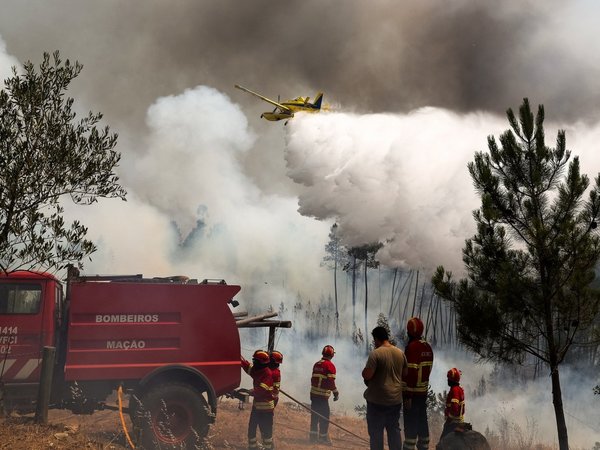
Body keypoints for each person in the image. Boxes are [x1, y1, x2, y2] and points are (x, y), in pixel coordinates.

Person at [362, 326, 408, 450]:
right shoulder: (400, 353)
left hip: (377, 401)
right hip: (395, 401)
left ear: (376, 339)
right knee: (394, 430)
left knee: (376, 432)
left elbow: (368, 375)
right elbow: (405, 374)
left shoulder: (376, 353)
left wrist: (364, 373)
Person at [403, 317, 434, 450]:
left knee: (410, 425)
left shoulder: (412, 348)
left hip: (413, 394)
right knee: (422, 421)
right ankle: (424, 446)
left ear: (409, 332)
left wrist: (408, 395)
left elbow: (411, 372)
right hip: (423, 393)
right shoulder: (427, 347)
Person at [241, 349, 275, 450]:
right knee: (251, 428)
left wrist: (249, 391)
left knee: (265, 431)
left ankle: (268, 448)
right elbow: (248, 367)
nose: (254, 363)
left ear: (261, 363)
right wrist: (239, 359)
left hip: (266, 410)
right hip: (256, 408)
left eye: (255, 361)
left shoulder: (267, 374)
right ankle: (252, 447)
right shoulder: (258, 370)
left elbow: (261, 390)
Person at [309, 344, 339, 445]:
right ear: (332, 355)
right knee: (324, 418)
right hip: (322, 397)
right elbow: (330, 381)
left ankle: (312, 438)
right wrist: (335, 392)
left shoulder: (316, 364)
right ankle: (322, 439)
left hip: (313, 395)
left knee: (314, 416)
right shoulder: (330, 366)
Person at [439, 368, 465, 441]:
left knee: (442, 442)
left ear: (452, 380)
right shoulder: (459, 389)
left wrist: (448, 420)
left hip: (453, 422)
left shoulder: (455, 390)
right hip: (459, 421)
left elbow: (455, 408)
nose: (447, 380)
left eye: (448, 378)